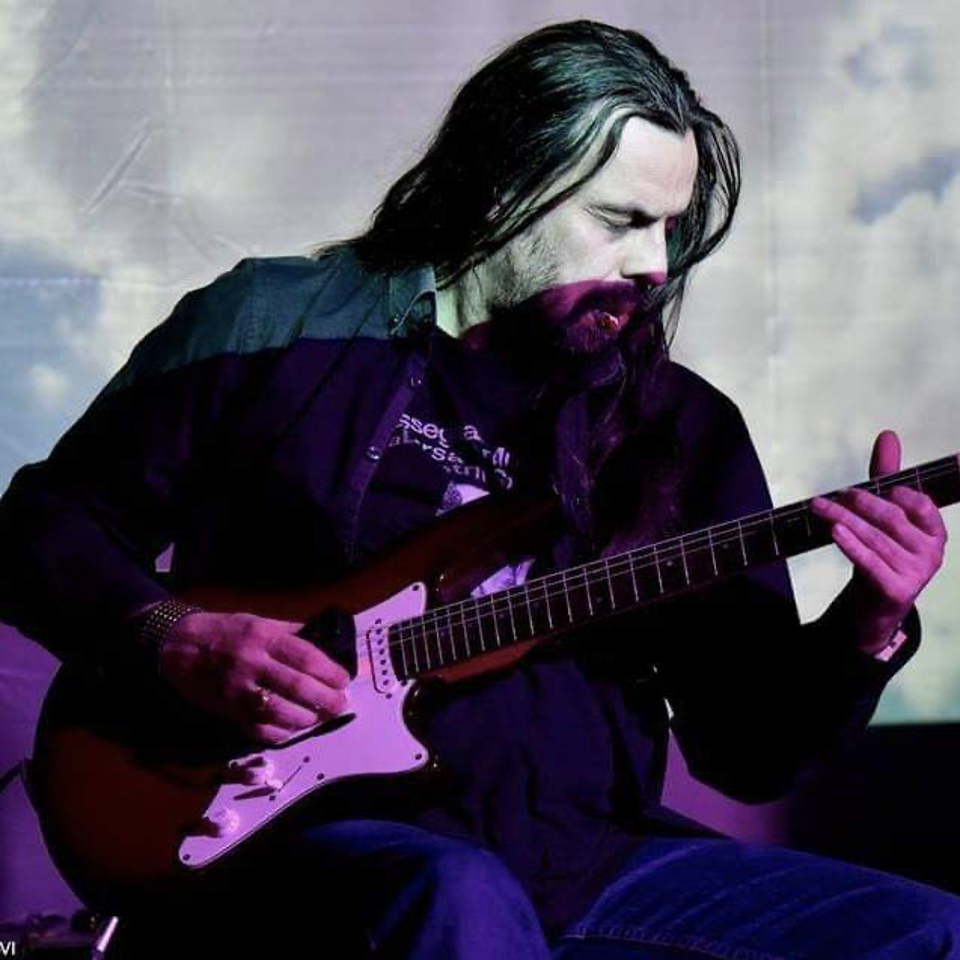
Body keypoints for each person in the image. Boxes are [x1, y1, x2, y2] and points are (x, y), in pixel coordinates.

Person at [0, 18, 955, 960]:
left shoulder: (680, 431)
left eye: (670, 228)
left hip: (583, 864)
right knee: (458, 896)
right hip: (293, 841)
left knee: (926, 932)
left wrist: (866, 624)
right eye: (621, 221)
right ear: (506, 186)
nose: (655, 265)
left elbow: (746, 752)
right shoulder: (275, 326)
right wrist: (173, 635)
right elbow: (42, 527)